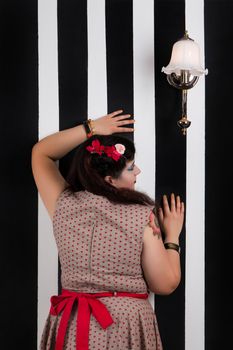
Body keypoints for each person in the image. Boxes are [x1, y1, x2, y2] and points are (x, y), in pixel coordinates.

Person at [31, 109, 185, 350]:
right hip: (124, 326)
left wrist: (91, 128)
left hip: (71, 324)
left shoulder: (64, 203)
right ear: (110, 180)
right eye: (131, 168)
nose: (138, 173)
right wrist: (173, 235)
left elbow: (41, 153)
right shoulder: (141, 216)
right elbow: (165, 284)